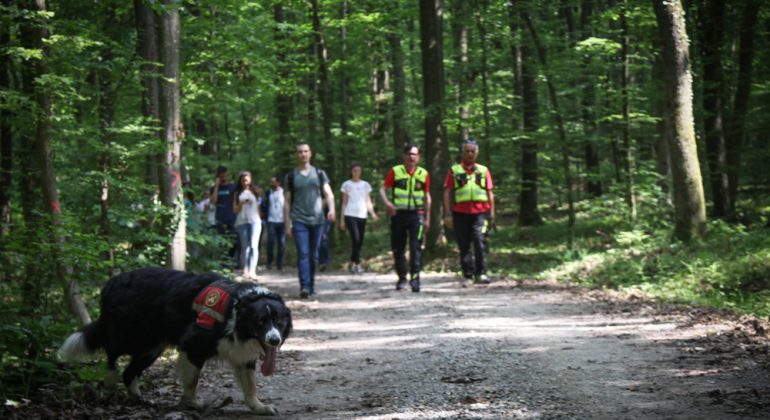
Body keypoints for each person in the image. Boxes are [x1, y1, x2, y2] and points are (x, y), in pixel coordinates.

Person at [284, 143, 336, 298]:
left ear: (310, 153)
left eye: (305, 151)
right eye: (300, 152)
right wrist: (287, 223)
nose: (303, 154)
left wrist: (332, 209)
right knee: (303, 253)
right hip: (299, 219)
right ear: (296, 155)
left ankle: (311, 285)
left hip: (318, 220)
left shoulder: (319, 173)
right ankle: (304, 287)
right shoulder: (291, 176)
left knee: (314, 255)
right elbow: (286, 201)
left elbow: (329, 194)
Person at [443, 139, 495, 287]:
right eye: (467, 151)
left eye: (473, 151)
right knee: (464, 245)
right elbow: (447, 192)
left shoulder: (483, 170)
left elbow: (490, 193)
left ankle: (481, 273)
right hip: (460, 213)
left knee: (479, 241)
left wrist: (492, 214)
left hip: (480, 212)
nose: (470, 154)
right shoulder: (454, 170)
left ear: (477, 153)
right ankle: (468, 275)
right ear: (463, 152)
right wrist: (447, 213)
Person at [379, 144, 431, 292]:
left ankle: (415, 279)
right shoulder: (396, 171)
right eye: (409, 154)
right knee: (398, 248)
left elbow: (427, 197)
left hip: (417, 215)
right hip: (398, 215)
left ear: (418, 157)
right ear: (404, 156)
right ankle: (402, 278)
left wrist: (428, 218)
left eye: (414, 154)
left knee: (416, 247)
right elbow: (383, 189)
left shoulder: (423, 173)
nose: (411, 157)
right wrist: (388, 203)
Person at [339, 163, 379, 274]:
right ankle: (357, 264)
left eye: (358, 170)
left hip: (362, 215)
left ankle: (352, 262)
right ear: (351, 172)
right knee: (356, 239)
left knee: (359, 241)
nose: (356, 173)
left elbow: (368, 201)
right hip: (350, 214)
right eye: (354, 170)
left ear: (361, 172)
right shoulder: (346, 185)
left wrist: (373, 214)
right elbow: (344, 203)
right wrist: (342, 220)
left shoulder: (365, 185)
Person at [233, 171, 262, 280]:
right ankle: (245, 269)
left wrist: (260, 219)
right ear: (240, 181)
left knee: (254, 246)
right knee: (245, 247)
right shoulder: (237, 193)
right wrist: (241, 203)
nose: (245, 181)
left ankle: (252, 271)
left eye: (247, 179)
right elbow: (235, 210)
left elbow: (258, 207)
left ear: (250, 179)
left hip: (255, 222)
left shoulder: (255, 191)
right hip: (242, 222)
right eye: (243, 179)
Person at [210, 166, 238, 265]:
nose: (224, 178)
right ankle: (223, 263)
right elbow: (213, 202)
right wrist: (217, 186)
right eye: (221, 176)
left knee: (234, 241)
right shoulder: (214, 188)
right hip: (220, 218)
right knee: (222, 242)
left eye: (225, 175)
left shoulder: (233, 187)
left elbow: (235, 203)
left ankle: (230, 260)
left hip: (232, 218)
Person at [261, 176, 286, 271]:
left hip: (282, 221)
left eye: (273, 182)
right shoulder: (268, 193)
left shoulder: (284, 192)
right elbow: (264, 205)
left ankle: (279, 264)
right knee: (270, 242)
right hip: (271, 221)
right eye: (270, 182)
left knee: (282, 243)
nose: (271, 184)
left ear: (278, 183)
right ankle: (269, 263)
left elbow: (288, 206)